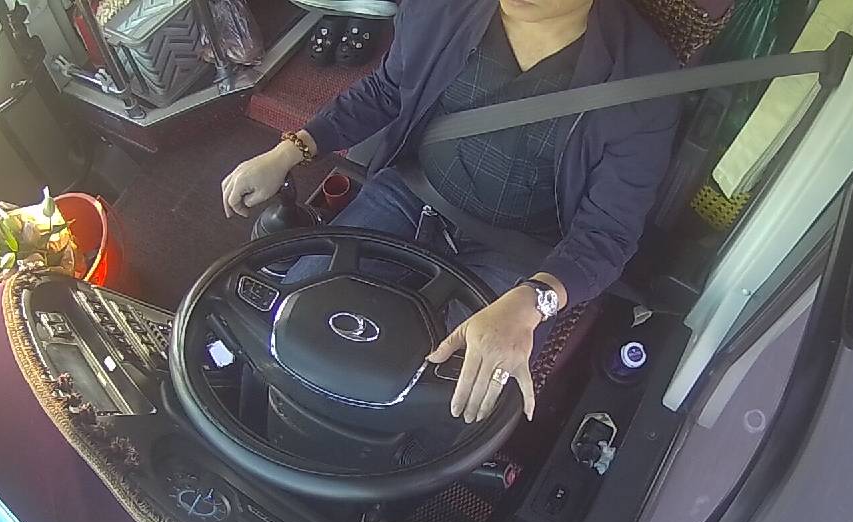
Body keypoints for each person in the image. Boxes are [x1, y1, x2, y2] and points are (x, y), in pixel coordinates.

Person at [221, 0, 679, 425]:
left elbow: (607, 234)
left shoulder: (644, 81)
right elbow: (386, 91)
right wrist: (290, 151)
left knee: (446, 398)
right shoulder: (440, 6)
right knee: (293, 317)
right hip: (411, 194)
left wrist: (535, 300)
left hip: (522, 254)